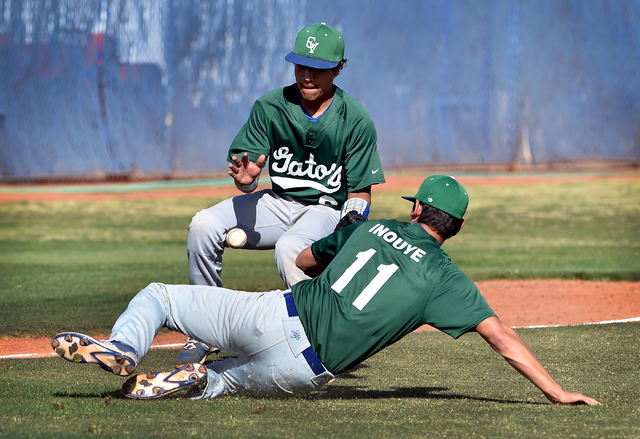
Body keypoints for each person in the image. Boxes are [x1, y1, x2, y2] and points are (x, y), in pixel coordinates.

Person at [51, 175, 600, 405]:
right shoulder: (445, 280)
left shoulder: (368, 228)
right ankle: (197, 382)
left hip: (274, 315)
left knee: (159, 296)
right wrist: (557, 392)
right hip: (304, 373)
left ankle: (124, 350)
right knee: (225, 384)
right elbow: (502, 338)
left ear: (415, 209)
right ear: (453, 227)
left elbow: (306, 258)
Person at [179, 22, 386, 366]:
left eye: (318, 68)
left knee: (291, 249)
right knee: (203, 225)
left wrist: (349, 224)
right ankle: (203, 330)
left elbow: (360, 192)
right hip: (276, 202)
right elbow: (247, 177)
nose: (307, 75)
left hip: (324, 210)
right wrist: (247, 182)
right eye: (301, 65)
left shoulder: (355, 120)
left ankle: (312, 338)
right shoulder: (271, 106)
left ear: (338, 68)